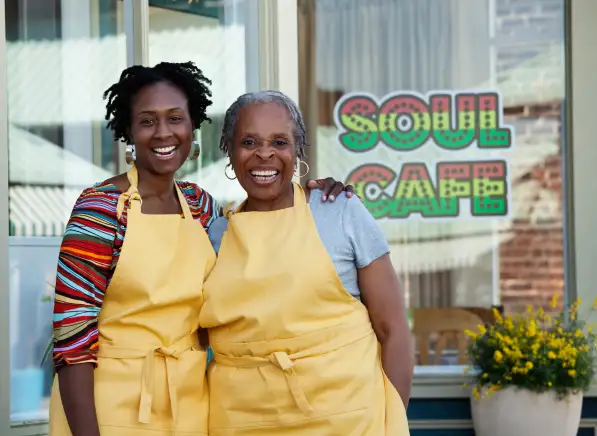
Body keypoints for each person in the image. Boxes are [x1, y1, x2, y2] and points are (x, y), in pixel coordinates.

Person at [49, 63, 354, 436]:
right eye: (147, 121)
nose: (163, 133)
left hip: (191, 410)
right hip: (110, 410)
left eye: (175, 118)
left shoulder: (200, 206)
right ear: (128, 130)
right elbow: (73, 339)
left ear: (192, 126)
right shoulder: (100, 209)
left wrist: (313, 192)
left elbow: (256, 252)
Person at [201, 90, 414, 435]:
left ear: (298, 149)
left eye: (280, 142)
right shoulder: (214, 235)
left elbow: (393, 330)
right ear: (229, 151)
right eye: (249, 141)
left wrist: (394, 419)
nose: (265, 153)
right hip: (240, 421)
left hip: (350, 420)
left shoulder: (340, 211)